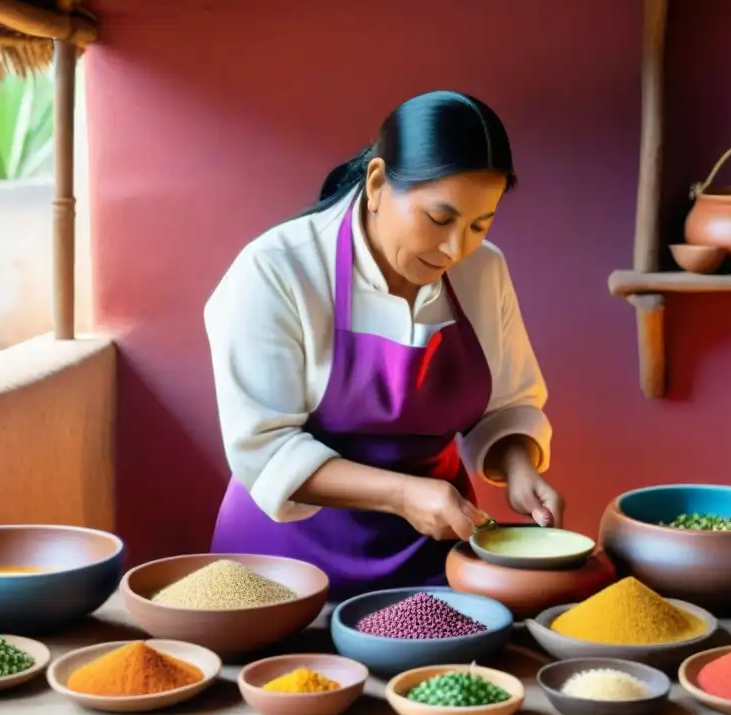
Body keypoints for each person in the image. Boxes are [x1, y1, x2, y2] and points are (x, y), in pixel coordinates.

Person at [205, 90, 564, 601]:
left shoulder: (484, 270)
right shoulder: (278, 270)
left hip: (433, 563)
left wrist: (519, 466)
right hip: (282, 569)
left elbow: (506, 407)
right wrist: (404, 493)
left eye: (479, 224)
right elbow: (264, 447)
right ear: (376, 184)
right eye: (439, 219)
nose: (455, 248)